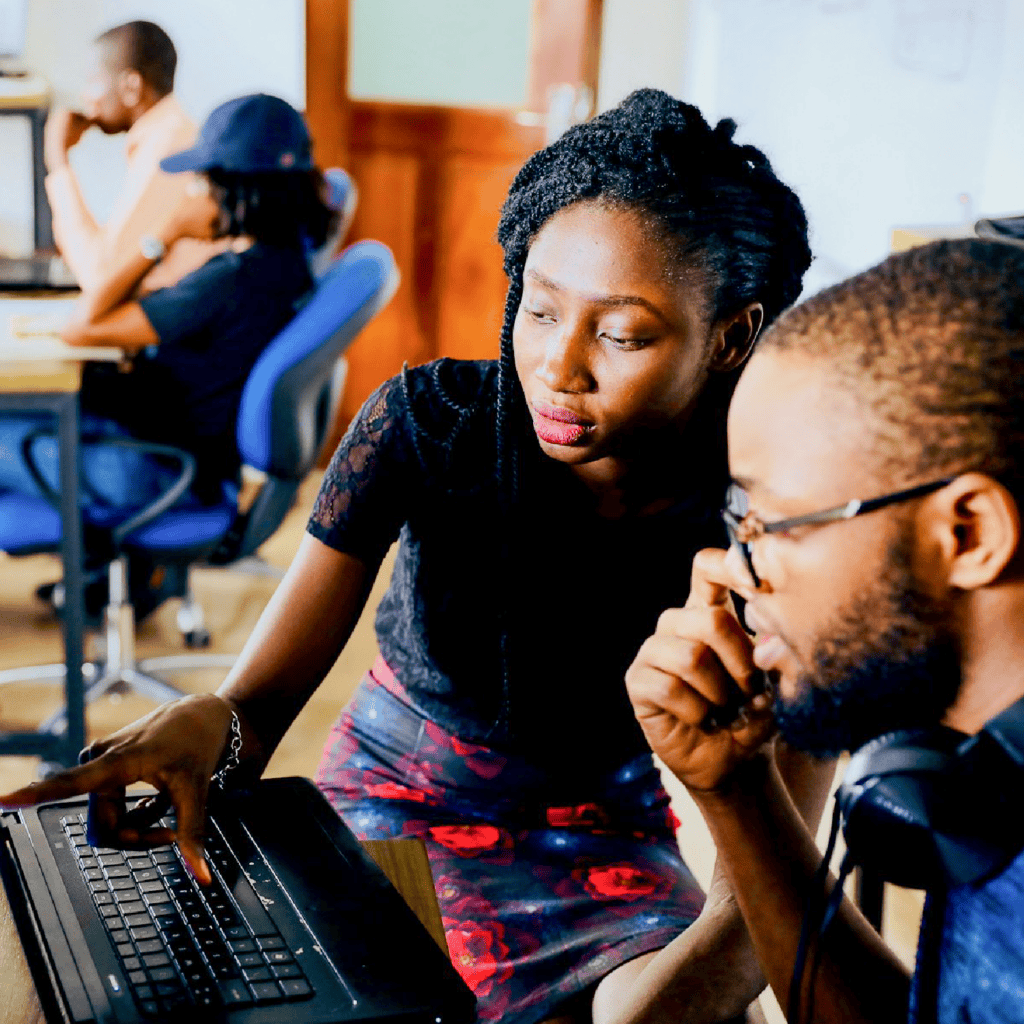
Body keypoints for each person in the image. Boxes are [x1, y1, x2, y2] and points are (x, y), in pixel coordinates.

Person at [2, 90, 823, 1024]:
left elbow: (772, 878)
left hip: (604, 834)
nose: (558, 366)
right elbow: (256, 712)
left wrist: (673, 996)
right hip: (393, 800)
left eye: (621, 333)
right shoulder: (430, 428)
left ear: (731, 336)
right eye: (541, 310)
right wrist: (209, 726)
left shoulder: (776, 521)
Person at [623, 237, 1024, 1023]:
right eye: (742, 519)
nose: (731, 568)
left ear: (969, 535)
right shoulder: (975, 771)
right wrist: (733, 790)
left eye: (775, 521)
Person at [0, 92, 332, 535]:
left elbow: (83, 326)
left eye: (202, 179)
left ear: (231, 188)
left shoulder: (228, 280)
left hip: (149, 470)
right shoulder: (288, 263)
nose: (195, 189)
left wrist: (165, 233)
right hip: (182, 458)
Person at [44, 19, 223, 293]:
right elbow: (111, 255)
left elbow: (100, 278)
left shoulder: (168, 147)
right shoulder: (166, 134)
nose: (85, 96)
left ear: (131, 87)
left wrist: (57, 161)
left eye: (93, 81)